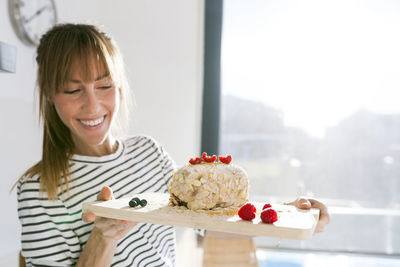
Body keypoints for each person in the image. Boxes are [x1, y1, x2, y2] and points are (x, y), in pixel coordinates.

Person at [15, 23, 330, 267]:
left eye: (105, 86)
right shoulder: (38, 190)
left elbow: (207, 224)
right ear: (49, 95)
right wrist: (103, 236)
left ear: (120, 87)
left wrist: (286, 217)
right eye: (73, 90)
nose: (94, 106)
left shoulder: (148, 153)